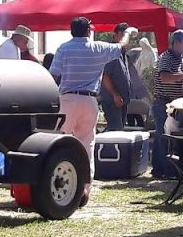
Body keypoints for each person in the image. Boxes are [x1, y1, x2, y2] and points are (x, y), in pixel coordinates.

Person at [50, 17, 137, 205]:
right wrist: (128, 32)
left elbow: (54, 76)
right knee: (87, 144)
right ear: (89, 31)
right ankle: (84, 188)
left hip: (66, 99)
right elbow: (121, 46)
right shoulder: (98, 48)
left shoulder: (63, 49)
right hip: (89, 99)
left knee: (59, 142)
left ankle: (59, 181)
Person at [151, 30, 183, 179]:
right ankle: (162, 170)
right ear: (176, 43)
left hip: (176, 104)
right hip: (162, 103)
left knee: (171, 137)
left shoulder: (182, 59)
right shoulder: (166, 58)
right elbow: (164, 77)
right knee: (163, 136)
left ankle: (169, 168)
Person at [99, 24, 133, 132]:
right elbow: (105, 77)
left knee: (119, 130)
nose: (126, 39)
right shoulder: (111, 52)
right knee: (116, 131)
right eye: (124, 35)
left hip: (122, 100)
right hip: (112, 100)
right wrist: (115, 94)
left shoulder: (123, 54)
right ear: (116, 35)